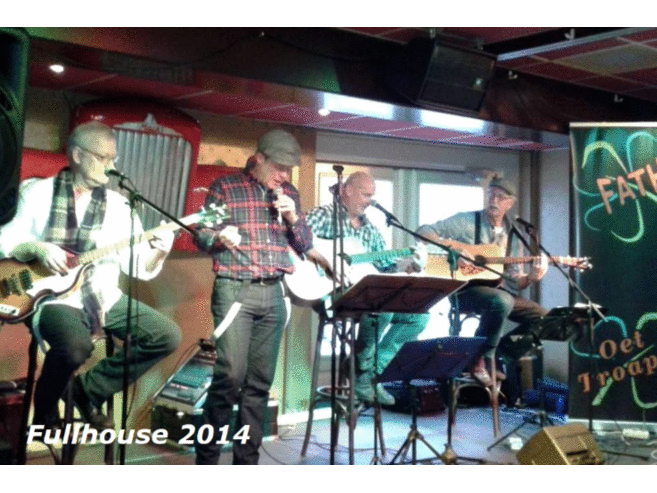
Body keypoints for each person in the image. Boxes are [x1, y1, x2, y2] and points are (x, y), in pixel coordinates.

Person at [0, 121, 181, 430]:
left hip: (102, 295)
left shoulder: (120, 206)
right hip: (51, 297)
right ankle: (45, 410)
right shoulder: (37, 193)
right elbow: (5, 239)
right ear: (78, 155)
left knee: (166, 335)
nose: (110, 166)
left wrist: (159, 252)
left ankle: (87, 391)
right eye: (102, 157)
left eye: (113, 159)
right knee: (75, 348)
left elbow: (137, 266)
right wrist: (37, 248)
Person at [193, 129, 313, 465]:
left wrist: (293, 218)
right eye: (279, 167)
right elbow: (201, 236)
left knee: (259, 385)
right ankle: (207, 458)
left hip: (274, 292)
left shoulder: (290, 194)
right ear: (259, 158)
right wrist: (219, 237)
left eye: (289, 169)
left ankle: (246, 460)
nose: (284, 175)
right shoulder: (225, 186)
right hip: (235, 289)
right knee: (229, 376)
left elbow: (304, 244)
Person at [305, 171, 429, 406]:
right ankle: (362, 370)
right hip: (329, 291)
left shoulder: (370, 229)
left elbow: (386, 267)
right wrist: (325, 261)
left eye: (372, 196)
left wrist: (410, 265)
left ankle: (370, 371)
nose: (370, 201)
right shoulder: (325, 214)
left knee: (419, 317)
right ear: (348, 190)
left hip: (365, 294)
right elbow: (298, 240)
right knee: (381, 307)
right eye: (366, 195)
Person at [416, 176, 548, 388]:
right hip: (464, 290)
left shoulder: (514, 235)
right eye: (491, 195)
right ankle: (480, 360)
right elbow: (423, 231)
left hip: (496, 290)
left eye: (500, 197)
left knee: (544, 318)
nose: (494, 200)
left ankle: (499, 355)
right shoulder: (466, 221)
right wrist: (452, 248)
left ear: (510, 203)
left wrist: (531, 278)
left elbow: (515, 282)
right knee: (502, 300)